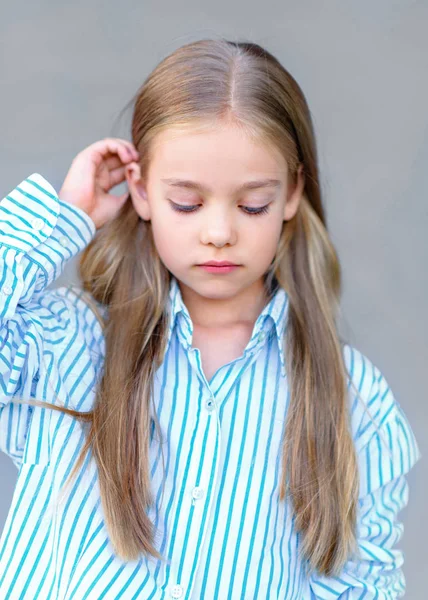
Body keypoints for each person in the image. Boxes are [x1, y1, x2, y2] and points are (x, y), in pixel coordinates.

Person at [0, 38, 421, 599]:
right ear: (142, 190)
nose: (219, 231)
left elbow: (365, 585)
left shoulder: (354, 398)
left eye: (252, 205)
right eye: (187, 203)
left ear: (293, 192)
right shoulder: (71, 345)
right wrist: (64, 215)